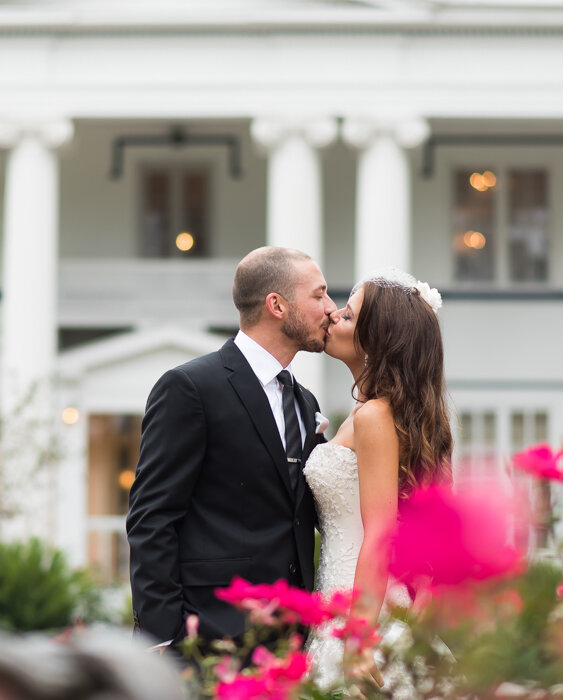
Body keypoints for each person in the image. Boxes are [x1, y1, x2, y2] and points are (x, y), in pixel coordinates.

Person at [127, 246, 336, 650]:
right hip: (209, 635)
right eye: (318, 294)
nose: (330, 308)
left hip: (292, 640)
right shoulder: (190, 388)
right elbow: (152, 517)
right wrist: (163, 638)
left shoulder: (303, 401)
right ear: (277, 305)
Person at [304, 269, 453, 695]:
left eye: (347, 317)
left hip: (361, 605)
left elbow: (383, 533)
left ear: (376, 343)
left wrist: (360, 637)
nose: (332, 318)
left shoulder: (373, 416)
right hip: (345, 594)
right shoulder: (376, 413)